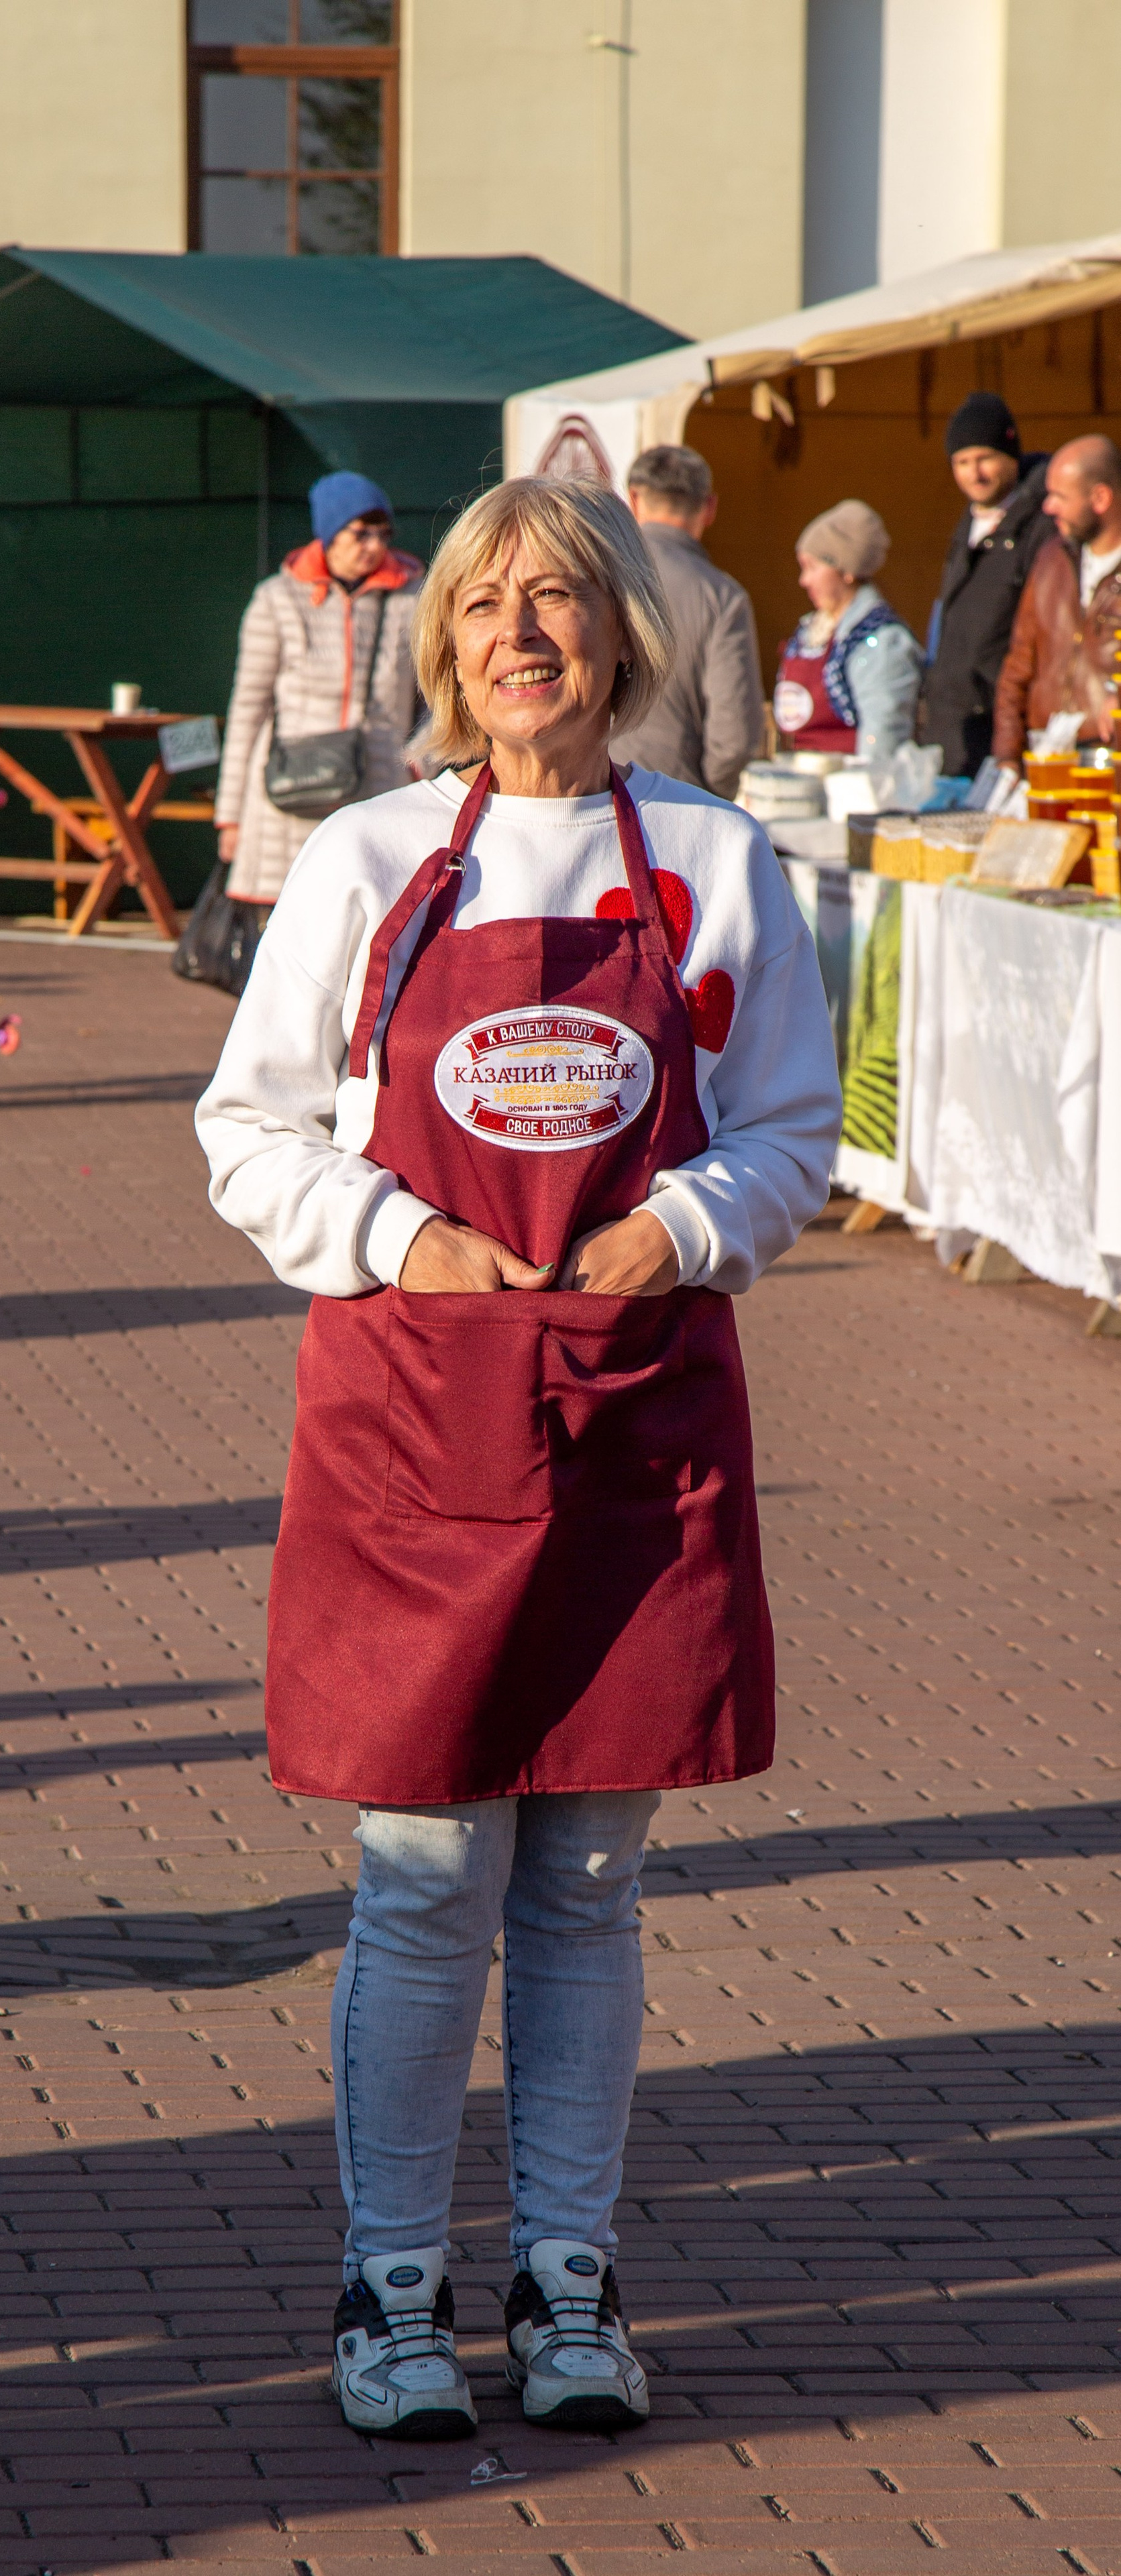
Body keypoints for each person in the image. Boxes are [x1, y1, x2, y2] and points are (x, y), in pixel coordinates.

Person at [197, 477, 840, 2444]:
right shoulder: (371, 855)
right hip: (417, 1420)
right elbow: (247, 1127)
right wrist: (399, 1235)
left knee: (585, 1878)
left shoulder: (710, 860)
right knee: (419, 1881)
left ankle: (569, 2274)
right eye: (484, 604)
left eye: (558, 598)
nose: (521, 633)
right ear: (443, 643)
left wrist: (685, 1224)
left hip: (632, 1417)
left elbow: (790, 1129)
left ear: (620, 635)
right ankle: (389, 2280)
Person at [213, 470, 423, 919]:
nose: (374, 546)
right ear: (329, 532)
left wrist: (426, 777)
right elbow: (248, 708)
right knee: (285, 925)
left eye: (383, 534)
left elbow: (434, 704)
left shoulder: (414, 598)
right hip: (290, 793)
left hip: (379, 784)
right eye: (361, 533)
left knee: (370, 919)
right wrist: (230, 816)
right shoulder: (277, 598)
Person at [610, 443, 763, 799]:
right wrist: (709, 799)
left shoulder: (595, 576)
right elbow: (735, 737)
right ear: (710, 508)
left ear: (633, 499)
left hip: (588, 797)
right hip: (674, 802)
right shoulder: (722, 597)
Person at [921, 392, 1051, 781]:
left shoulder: (1042, 528)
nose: (974, 474)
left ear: (1010, 456)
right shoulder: (968, 527)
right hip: (955, 733)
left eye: (985, 459)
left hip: (1002, 732)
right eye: (962, 462)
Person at [992, 433, 1121, 769]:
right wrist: (1007, 758)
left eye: (1060, 497)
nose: (1048, 508)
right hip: (1047, 761)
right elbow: (1019, 665)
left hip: (1108, 763)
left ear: (1101, 498)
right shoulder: (1052, 559)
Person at [773, 500, 922, 764]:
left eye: (812, 567)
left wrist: (863, 784)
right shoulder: (813, 631)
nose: (803, 581)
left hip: (848, 783)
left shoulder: (879, 640)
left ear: (846, 571)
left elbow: (883, 734)